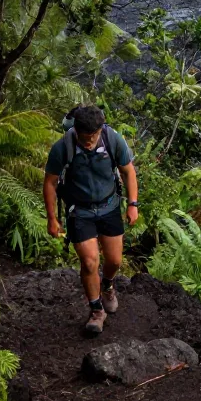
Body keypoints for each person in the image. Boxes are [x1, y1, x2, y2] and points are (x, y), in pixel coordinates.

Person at [43, 105, 139, 336]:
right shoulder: (62, 147)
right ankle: (96, 310)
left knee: (114, 261)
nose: (89, 142)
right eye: (85, 138)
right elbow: (50, 183)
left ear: (100, 129)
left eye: (93, 136)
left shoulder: (112, 139)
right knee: (88, 262)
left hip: (109, 206)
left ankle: (107, 284)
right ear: (76, 129)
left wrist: (133, 204)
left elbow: (128, 171)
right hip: (80, 211)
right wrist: (52, 218)